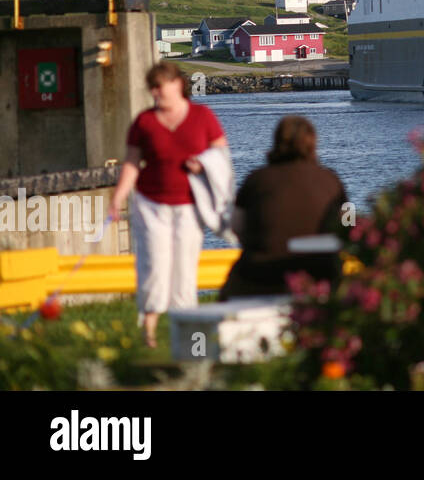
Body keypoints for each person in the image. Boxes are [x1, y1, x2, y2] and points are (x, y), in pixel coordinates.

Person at [110, 61, 227, 347]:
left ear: (177, 85)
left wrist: (203, 165)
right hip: (151, 205)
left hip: (189, 205)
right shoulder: (144, 122)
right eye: (152, 88)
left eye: (160, 86)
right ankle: (148, 333)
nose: (156, 92)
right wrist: (118, 198)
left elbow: (221, 155)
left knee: (185, 268)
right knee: (153, 265)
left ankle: (188, 337)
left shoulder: (202, 116)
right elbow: (132, 164)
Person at [220, 116, 348, 299]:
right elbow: (349, 222)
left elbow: (236, 226)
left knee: (229, 293)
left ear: (277, 142)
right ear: (313, 143)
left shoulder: (256, 180)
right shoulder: (332, 180)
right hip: (319, 274)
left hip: (262, 275)